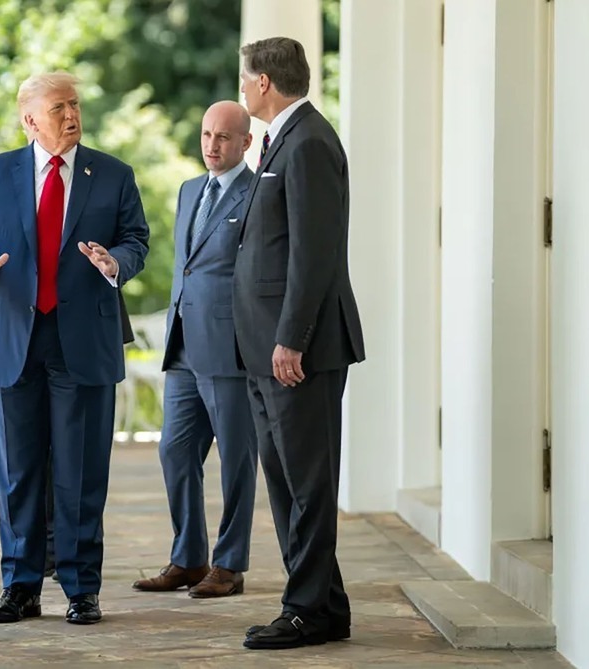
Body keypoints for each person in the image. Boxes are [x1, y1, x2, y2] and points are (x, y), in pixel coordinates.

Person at [0, 71, 149, 626]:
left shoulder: (113, 174)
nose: (71, 115)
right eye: (59, 107)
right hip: (14, 339)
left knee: (80, 472)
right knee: (18, 473)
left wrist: (115, 262)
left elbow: (136, 240)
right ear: (30, 120)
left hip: (83, 339)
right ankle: (19, 587)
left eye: (75, 105)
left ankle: (82, 588)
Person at [231, 38, 366, 649]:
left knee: (307, 484)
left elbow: (313, 254)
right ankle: (325, 605)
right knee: (287, 482)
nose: (242, 86)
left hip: (297, 350)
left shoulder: (308, 142)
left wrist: (291, 339)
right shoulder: (283, 138)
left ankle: (305, 610)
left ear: (263, 82)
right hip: (267, 348)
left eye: (244, 77)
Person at [131, 101, 258, 599]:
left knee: (236, 459)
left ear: (246, 142)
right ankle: (188, 558)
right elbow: (186, 267)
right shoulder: (189, 190)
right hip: (182, 345)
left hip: (229, 348)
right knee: (175, 450)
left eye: (223, 137)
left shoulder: (257, 194)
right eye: (206, 134)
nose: (212, 145)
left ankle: (229, 564)